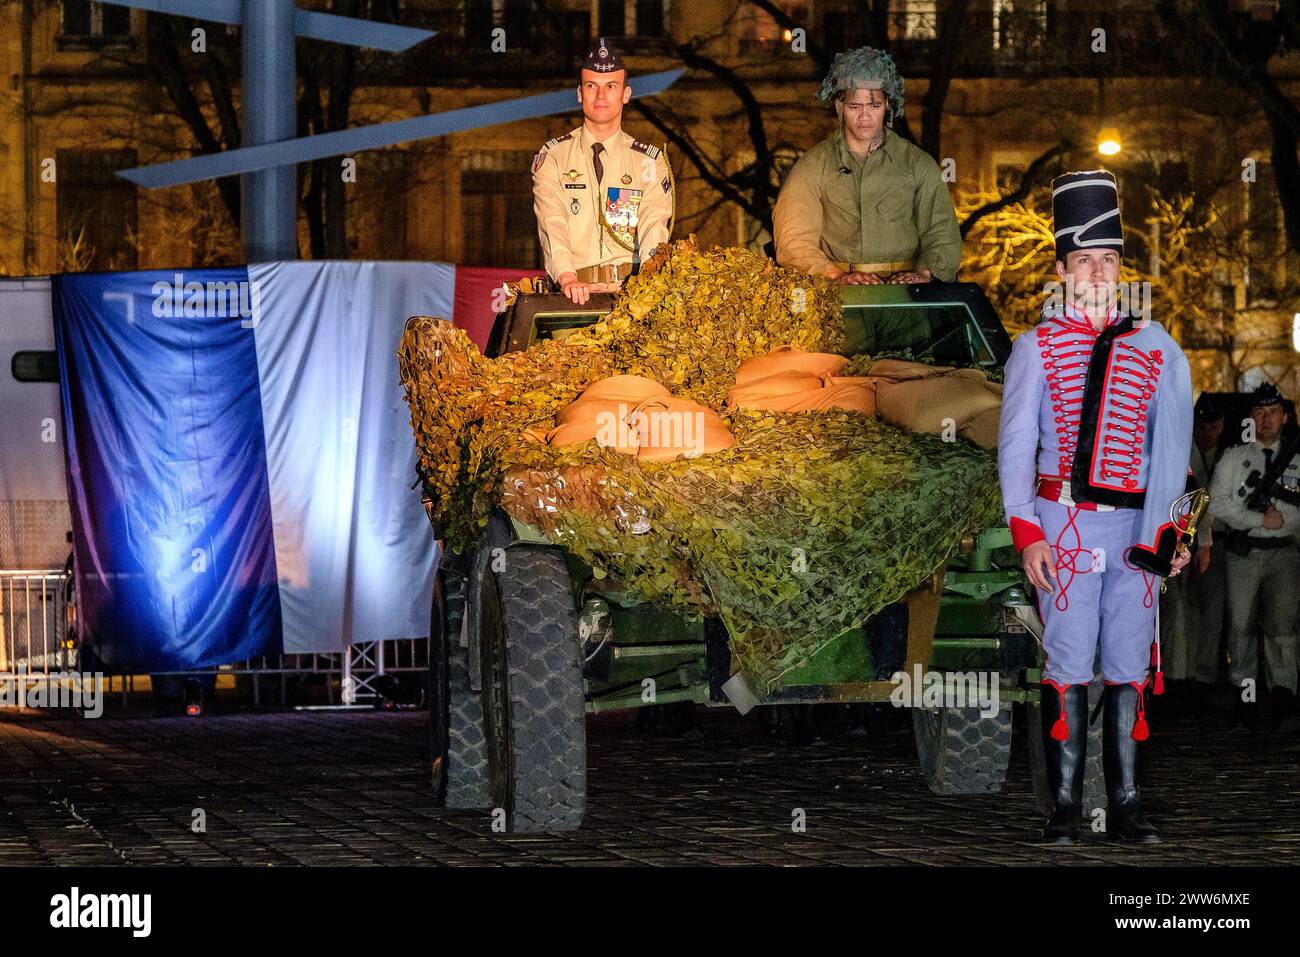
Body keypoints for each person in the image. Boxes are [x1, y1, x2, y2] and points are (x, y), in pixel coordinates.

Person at [998, 170, 1194, 844]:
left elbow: (1177, 453)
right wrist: (1027, 535)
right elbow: (1015, 451)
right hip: (1063, 526)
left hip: (1136, 528)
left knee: (1129, 662)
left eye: (1109, 260)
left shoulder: (1157, 346)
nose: (1098, 271)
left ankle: (1129, 804)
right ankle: (1061, 806)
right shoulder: (1034, 348)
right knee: (1069, 659)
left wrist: (1175, 533)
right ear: (1061, 270)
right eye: (1084, 260)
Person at [772, 46, 961, 285]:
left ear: (888, 106)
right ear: (839, 107)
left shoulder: (918, 164)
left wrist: (924, 273)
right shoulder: (812, 166)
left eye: (874, 106)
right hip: (838, 300)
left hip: (908, 302)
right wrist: (836, 275)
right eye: (855, 106)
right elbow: (794, 239)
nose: (865, 117)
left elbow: (942, 232)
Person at [532, 38, 673, 305]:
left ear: (626, 94)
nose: (600, 96)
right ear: (579, 93)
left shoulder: (649, 162)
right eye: (591, 86)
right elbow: (552, 223)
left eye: (611, 86)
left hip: (631, 294)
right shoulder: (554, 157)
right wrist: (567, 278)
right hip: (572, 297)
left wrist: (648, 284)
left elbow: (654, 225)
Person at [1208, 383, 1300, 733]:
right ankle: (1245, 699)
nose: (1266, 419)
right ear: (1251, 417)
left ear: (1285, 416)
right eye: (1259, 413)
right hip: (1243, 555)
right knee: (1242, 630)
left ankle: (1284, 700)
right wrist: (1258, 519)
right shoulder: (1234, 458)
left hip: (1284, 553)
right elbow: (1217, 504)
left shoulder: (1295, 459)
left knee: (1282, 630)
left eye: (1273, 412)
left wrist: (1283, 521)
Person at [1158, 397, 1226, 720]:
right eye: (1200, 424)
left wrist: (1205, 543)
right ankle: (1175, 680)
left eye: (1212, 424)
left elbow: (1205, 501)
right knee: (1176, 613)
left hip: (1201, 541)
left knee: (1201, 614)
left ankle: (1197, 681)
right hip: (1175, 538)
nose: (1206, 431)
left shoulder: (1222, 454)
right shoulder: (1180, 447)